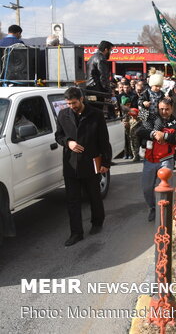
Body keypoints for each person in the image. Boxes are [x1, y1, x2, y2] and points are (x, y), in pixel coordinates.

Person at [54, 87, 112, 246]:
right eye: (68, 103)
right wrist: (68, 142)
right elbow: (58, 135)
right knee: (72, 200)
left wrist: (106, 163)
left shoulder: (96, 115)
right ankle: (76, 233)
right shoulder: (63, 115)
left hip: (90, 163)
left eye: (74, 103)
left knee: (94, 196)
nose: (72, 106)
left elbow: (104, 141)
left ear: (81, 99)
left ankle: (97, 222)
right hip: (71, 165)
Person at [136, 97, 176, 221]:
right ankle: (153, 208)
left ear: (172, 109)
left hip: (166, 159)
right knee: (146, 188)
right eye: (161, 109)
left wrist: (164, 136)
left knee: (165, 188)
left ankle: (165, 211)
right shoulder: (152, 118)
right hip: (149, 159)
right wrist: (153, 134)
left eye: (167, 109)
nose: (163, 111)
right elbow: (139, 131)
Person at [86, 40, 114, 116]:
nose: (110, 53)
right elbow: (103, 77)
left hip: (89, 89)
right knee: (97, 114)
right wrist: (109, 91)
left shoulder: (92, 57)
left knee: (91, 113)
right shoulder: (101, 58)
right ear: (106, 49)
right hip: (97, 90)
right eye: (110, 50)